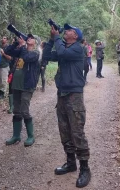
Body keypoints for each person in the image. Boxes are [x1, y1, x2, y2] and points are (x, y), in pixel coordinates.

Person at [43, 24, 91, 188]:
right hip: (62, 94)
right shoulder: (65, 48)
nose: (66, 31)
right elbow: (48, 55)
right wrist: (51, 40)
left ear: (76, 36)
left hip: (74, 96)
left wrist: (56, 37)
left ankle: (85, 168)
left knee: (77, 132)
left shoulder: (77, 49)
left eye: (70, 30)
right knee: (64, 130)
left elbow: (62, 52)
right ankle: (71, 162)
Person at [5, 34, 40, 147]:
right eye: (27, 37)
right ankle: (16, 136)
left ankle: (31, 136)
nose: (28, 38)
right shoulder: (22, 50)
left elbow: (27, 58)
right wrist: (16, 42)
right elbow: (8, 51)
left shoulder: (35, 53)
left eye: (31, 38)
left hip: (27, 86)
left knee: (24, 110)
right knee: (16, 110)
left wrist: (23, 46)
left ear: (36, 42)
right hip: (16, 84)